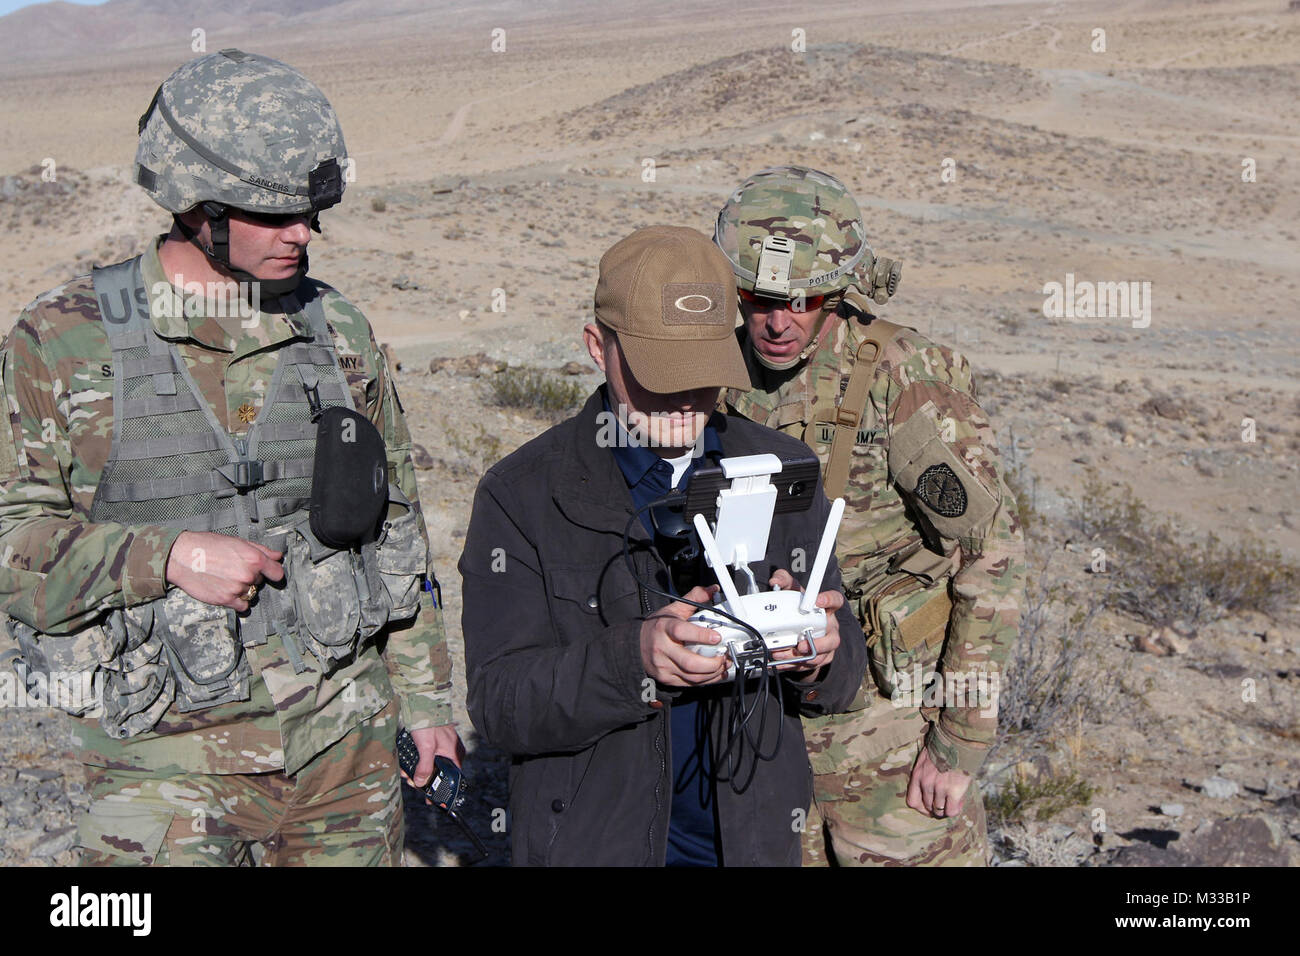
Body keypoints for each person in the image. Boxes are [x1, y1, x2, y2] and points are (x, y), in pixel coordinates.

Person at [0, 49, 462, 866]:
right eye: (271, 214)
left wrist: (425, 702)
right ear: (195, 207)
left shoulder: (340, 333)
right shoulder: (63, 344)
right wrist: (166, 555)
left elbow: (398, 529)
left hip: (343, 752)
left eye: (310, 212)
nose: (303, 234)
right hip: (162, 769)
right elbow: (13, 548)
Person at [459, 225, 866, 866]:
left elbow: (844, 680)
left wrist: (819, 657)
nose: (682, 399)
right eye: (658, 374)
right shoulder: (523, 494)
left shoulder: (781, 468)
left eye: (702, 374)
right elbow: (500, 704)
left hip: (750, 846)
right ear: (598, 347)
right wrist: (633, 659)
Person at [715, 166, 1026, 866]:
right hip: (765, 730)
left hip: (895, 732)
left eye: (804, 300)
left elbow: (990, 556)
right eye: (758, 297)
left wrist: (958, 743)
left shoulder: (900, 377)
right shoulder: (720, 375)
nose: (777, 320)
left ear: (841, 289)